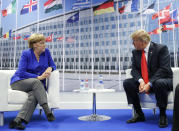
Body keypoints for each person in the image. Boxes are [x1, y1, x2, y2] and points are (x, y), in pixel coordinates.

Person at [123, 29, 173, 128]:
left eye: (134, 41)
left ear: (143, 41)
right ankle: (139, 114)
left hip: (162, 79)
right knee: (127, 83)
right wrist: (141, 81)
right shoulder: (135, 52)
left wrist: (149, 83)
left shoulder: (161, 48)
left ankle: (162, 115)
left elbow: (164, 69)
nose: (133, 43)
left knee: (159, 83)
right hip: (145, 81)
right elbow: (134, 70)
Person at [9, 33, 56, 130]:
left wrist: (50, 68)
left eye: (44, 43)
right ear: (35, 45)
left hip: (34, 86)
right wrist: (38, 77)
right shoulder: (26, 54)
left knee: (34, 95)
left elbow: (53, 65)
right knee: (36, 82)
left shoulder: (46, 52)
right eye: (42, 43)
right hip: (19, 82)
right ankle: (47, 110)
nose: (44, 45)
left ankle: (17, 120)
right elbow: (21, 72)